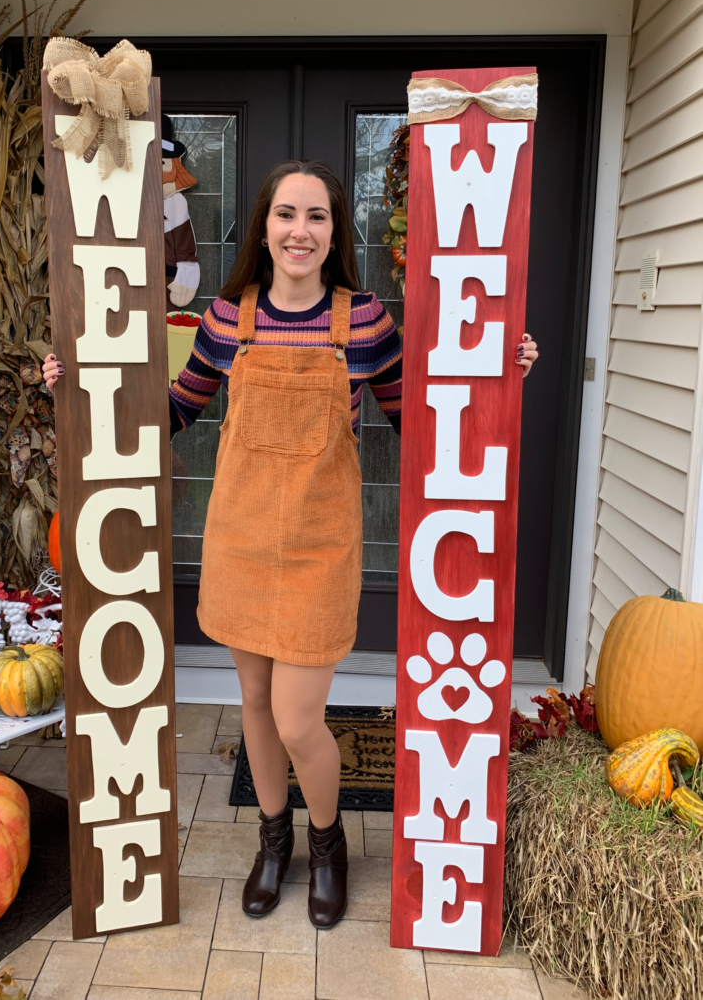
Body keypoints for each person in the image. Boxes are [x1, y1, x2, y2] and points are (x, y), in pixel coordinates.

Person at [43, 159, 539, 929]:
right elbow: (170, 412)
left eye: (315, 216)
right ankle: (273, 844)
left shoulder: (363, 320)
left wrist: (499, 374)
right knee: (253, 703)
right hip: (240, 537)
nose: (299, 230)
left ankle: (326, 841)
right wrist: (79, 384)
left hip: (319, 546)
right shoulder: (224, 318)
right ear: (263, 228)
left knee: (299, 718)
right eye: (285, 214)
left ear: (334, 232)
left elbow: (429, 422)